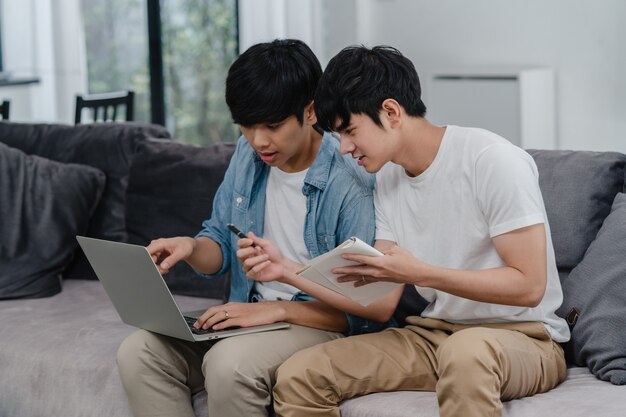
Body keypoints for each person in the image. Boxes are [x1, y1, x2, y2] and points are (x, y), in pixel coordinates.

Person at [241, 45, 570, 417]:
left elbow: (529, 286)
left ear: (391, 112)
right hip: (433, 337)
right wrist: (285, 269)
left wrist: (422, 273)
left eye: (350, 131)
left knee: (467, 354)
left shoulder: (491, 159)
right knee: (300, 374)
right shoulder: (386, 179)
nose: (345, 148)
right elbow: (378, 295)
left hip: (524, 338)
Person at [115, 39, 388, 417]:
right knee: (139, 351)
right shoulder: (249, 155)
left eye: (272, 126)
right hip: (249, 315)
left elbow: (359, 310)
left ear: (310, 112)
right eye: (246, 125)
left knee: (230, 364)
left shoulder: (350, 180)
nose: (259, 140)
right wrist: (191, 248)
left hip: (314, 321)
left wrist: (275, 312)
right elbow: (220, 247)